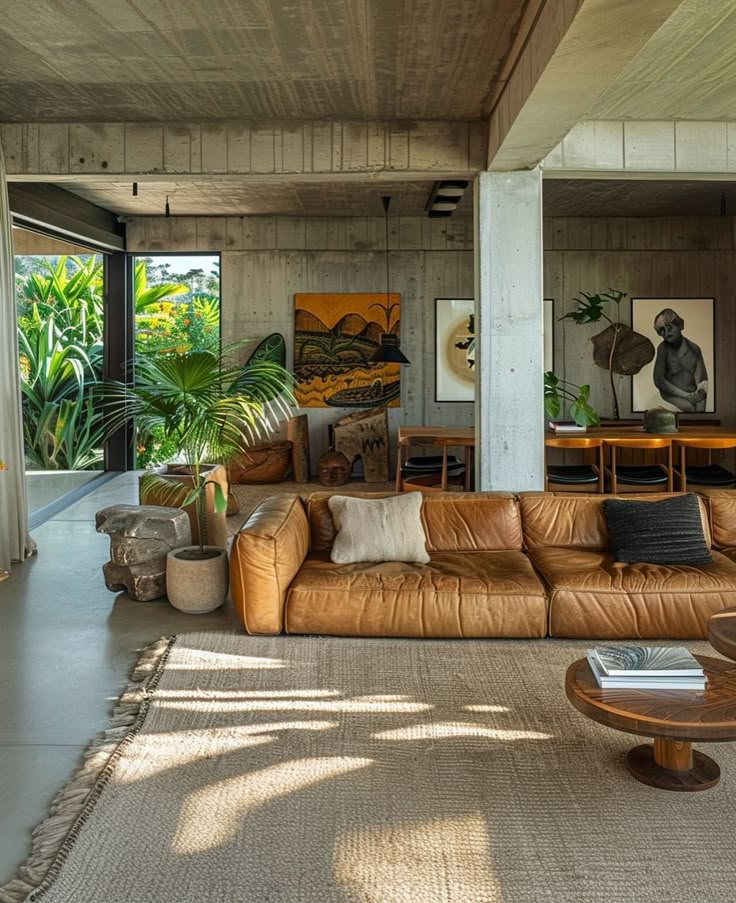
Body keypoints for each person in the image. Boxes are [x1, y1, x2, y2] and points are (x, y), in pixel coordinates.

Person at [652, 308, 708, 412]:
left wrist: (700, 395)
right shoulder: (663, 348)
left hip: (692, 395)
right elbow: (659, 381)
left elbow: (702, 379)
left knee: (699, 410)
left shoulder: (694, 349)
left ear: (680, 325)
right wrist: (686, 396)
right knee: (692, 409)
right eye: (662, 331)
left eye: (669, 327)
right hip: (671, 396)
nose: (666, 333)